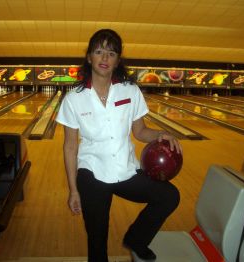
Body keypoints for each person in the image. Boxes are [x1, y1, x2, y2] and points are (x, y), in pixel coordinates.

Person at [56, 29, 182, 262]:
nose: (104, 58)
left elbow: (140, 131)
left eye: (111, 53)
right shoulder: (74, 98)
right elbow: (70, 147)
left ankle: (136, 239)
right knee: (97, 241)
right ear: (89, 57)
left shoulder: (130, 91)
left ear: (117, 60)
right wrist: (73, 190)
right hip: (92, 172)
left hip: (126, 169)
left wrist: (161, 134)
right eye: (99, 51)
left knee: (168, 196)